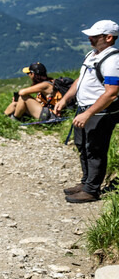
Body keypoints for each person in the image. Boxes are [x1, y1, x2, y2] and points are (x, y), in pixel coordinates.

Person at [54, 20, 119, 203]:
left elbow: (112, 93)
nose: (90, 38)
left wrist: (88, 113)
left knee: (95, 149)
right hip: (83, 108)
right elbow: (80, 79)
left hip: (99, 112)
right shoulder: (92, 54)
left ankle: (91, 190)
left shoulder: (113, 60)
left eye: (95, 36)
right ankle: (86, 182)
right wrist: (65, 99)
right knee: (82, 145)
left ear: (109, 38)